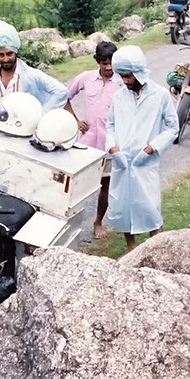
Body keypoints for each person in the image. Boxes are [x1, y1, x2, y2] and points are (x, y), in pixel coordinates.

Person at [105, 45, 179, 253]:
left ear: (139, 73)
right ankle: (131, 249)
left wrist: (151, 148)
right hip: (122, 161)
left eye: (128, 76)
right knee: (124, 206)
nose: (125, 81)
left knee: (149, 206)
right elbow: (110, 125)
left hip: (144, 162)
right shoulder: (119, 97)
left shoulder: (160, 95)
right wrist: (112, 147)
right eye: (122, 76)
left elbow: (173, 128)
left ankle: (159, 247)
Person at [65, 41, 122, 238]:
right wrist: (76, 120)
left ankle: (98, 222)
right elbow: (64, 96)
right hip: (86, 145)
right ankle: (67, 223)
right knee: (74, 185)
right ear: (97, 61)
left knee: (105, 186)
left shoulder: (122, 82)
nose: (108, 67)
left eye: (111, 63)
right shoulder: (86, 78)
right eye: (104, 63)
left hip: (110, 145)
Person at [0, 19, 68, 129]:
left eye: (9, 54)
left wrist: (41, 115)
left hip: (26, 130)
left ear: (15, 52)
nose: (5, 59)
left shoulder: (31, 75)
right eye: (1, 55)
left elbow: (61, 91)